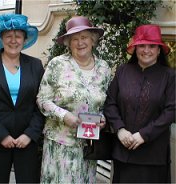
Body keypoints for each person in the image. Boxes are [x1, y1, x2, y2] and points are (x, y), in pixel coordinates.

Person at [37, 16, 111, 183]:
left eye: (84, 37)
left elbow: (107, 104)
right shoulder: (57, 65)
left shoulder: (104, 68)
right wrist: (64, 115)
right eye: (74, 39)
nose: (80, 43)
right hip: (61, 143)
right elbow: (42, 99)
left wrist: (103, 119)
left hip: (89, 145)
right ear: (68, 43)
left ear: (93, 41)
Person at [0, 13, 45, 183]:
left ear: (24, 39)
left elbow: (41, 103)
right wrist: (1, 136)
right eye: (8, 36)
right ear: (1, 38)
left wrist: (29, 134)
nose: (13, 41)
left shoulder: (35, 65)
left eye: (18, 36)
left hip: (27, 142)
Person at [104, 24, 175, 183]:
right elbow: (110, 102)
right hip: (123, 152)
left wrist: (144, 135)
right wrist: (119, 129)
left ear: (159, 50)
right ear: (135, 48)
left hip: (153, 156)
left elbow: (172, 110)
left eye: (152, 46)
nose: (146, 50)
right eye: (141, 45)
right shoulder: (123, 71)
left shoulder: (169, 76)